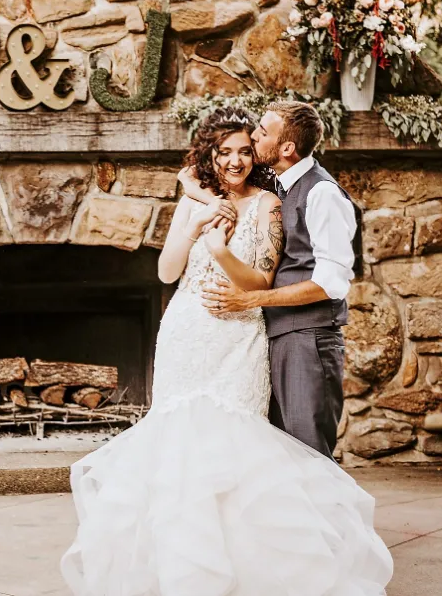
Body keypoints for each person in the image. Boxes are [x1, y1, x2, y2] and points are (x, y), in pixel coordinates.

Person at [61, 105, 392, 596]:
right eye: (226, 151)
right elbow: (167, 273)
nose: (238, 159)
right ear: (209, 157)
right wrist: (195, 217)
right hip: (186, 333)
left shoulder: (273, 202)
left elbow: (264, 278)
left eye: (247, 147)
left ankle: (276, 567)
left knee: (245, 449)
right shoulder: (196, 200)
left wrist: (220, 249)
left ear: (273, 150)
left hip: (239, 336)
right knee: (177, 450)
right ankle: (176, 570)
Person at [193, 100, 357, 460]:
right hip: (281, 336)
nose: (253, 136)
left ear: (286, 148)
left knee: (309, 452)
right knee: (283, 455)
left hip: (308, 341)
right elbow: (193, 176)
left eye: (262, 132)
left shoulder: (322, 193)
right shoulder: (281, 186)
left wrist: (250, 300)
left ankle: (328, 518)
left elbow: (332, 283)